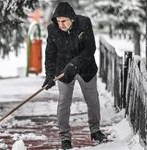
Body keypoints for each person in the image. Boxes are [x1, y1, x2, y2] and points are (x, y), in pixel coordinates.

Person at [42, 2, 107, 149]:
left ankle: (95, 130)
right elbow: (50, 53)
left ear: (72, 18)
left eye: (64, 21)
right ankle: (65, 138)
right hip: (63, 71)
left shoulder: (84, 23)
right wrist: (49, 75)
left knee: (92, 100)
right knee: (64, 102)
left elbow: (90, 48)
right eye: (58, 21)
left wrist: (75, 64)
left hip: (86, 68)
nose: (61, 24)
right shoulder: (52, 29)